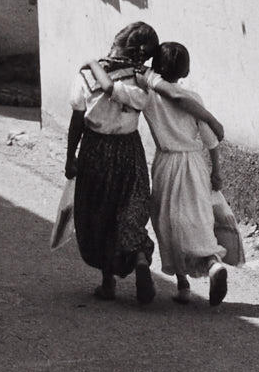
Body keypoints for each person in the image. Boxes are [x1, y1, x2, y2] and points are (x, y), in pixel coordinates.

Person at [87, 41, 230, 305]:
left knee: (168, 222)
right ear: (185, 72)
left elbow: (112, 91)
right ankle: (212, 264)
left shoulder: (149, 97)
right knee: (197, 218)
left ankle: (183, 285)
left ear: (155, 67)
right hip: (194, 164)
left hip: (166, 163)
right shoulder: (194, 100)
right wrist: (216, 171)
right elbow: (211, 141)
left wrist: (95, 65)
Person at [64, 22, 159, 303]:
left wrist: (71, 156)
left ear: (117, 40)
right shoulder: (141, 78)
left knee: (99, 213)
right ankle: (140, 257)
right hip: (130, 148)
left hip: (96, 151)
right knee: (130, 208)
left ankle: (107, 283)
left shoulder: (88, 73)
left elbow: (77, 119)